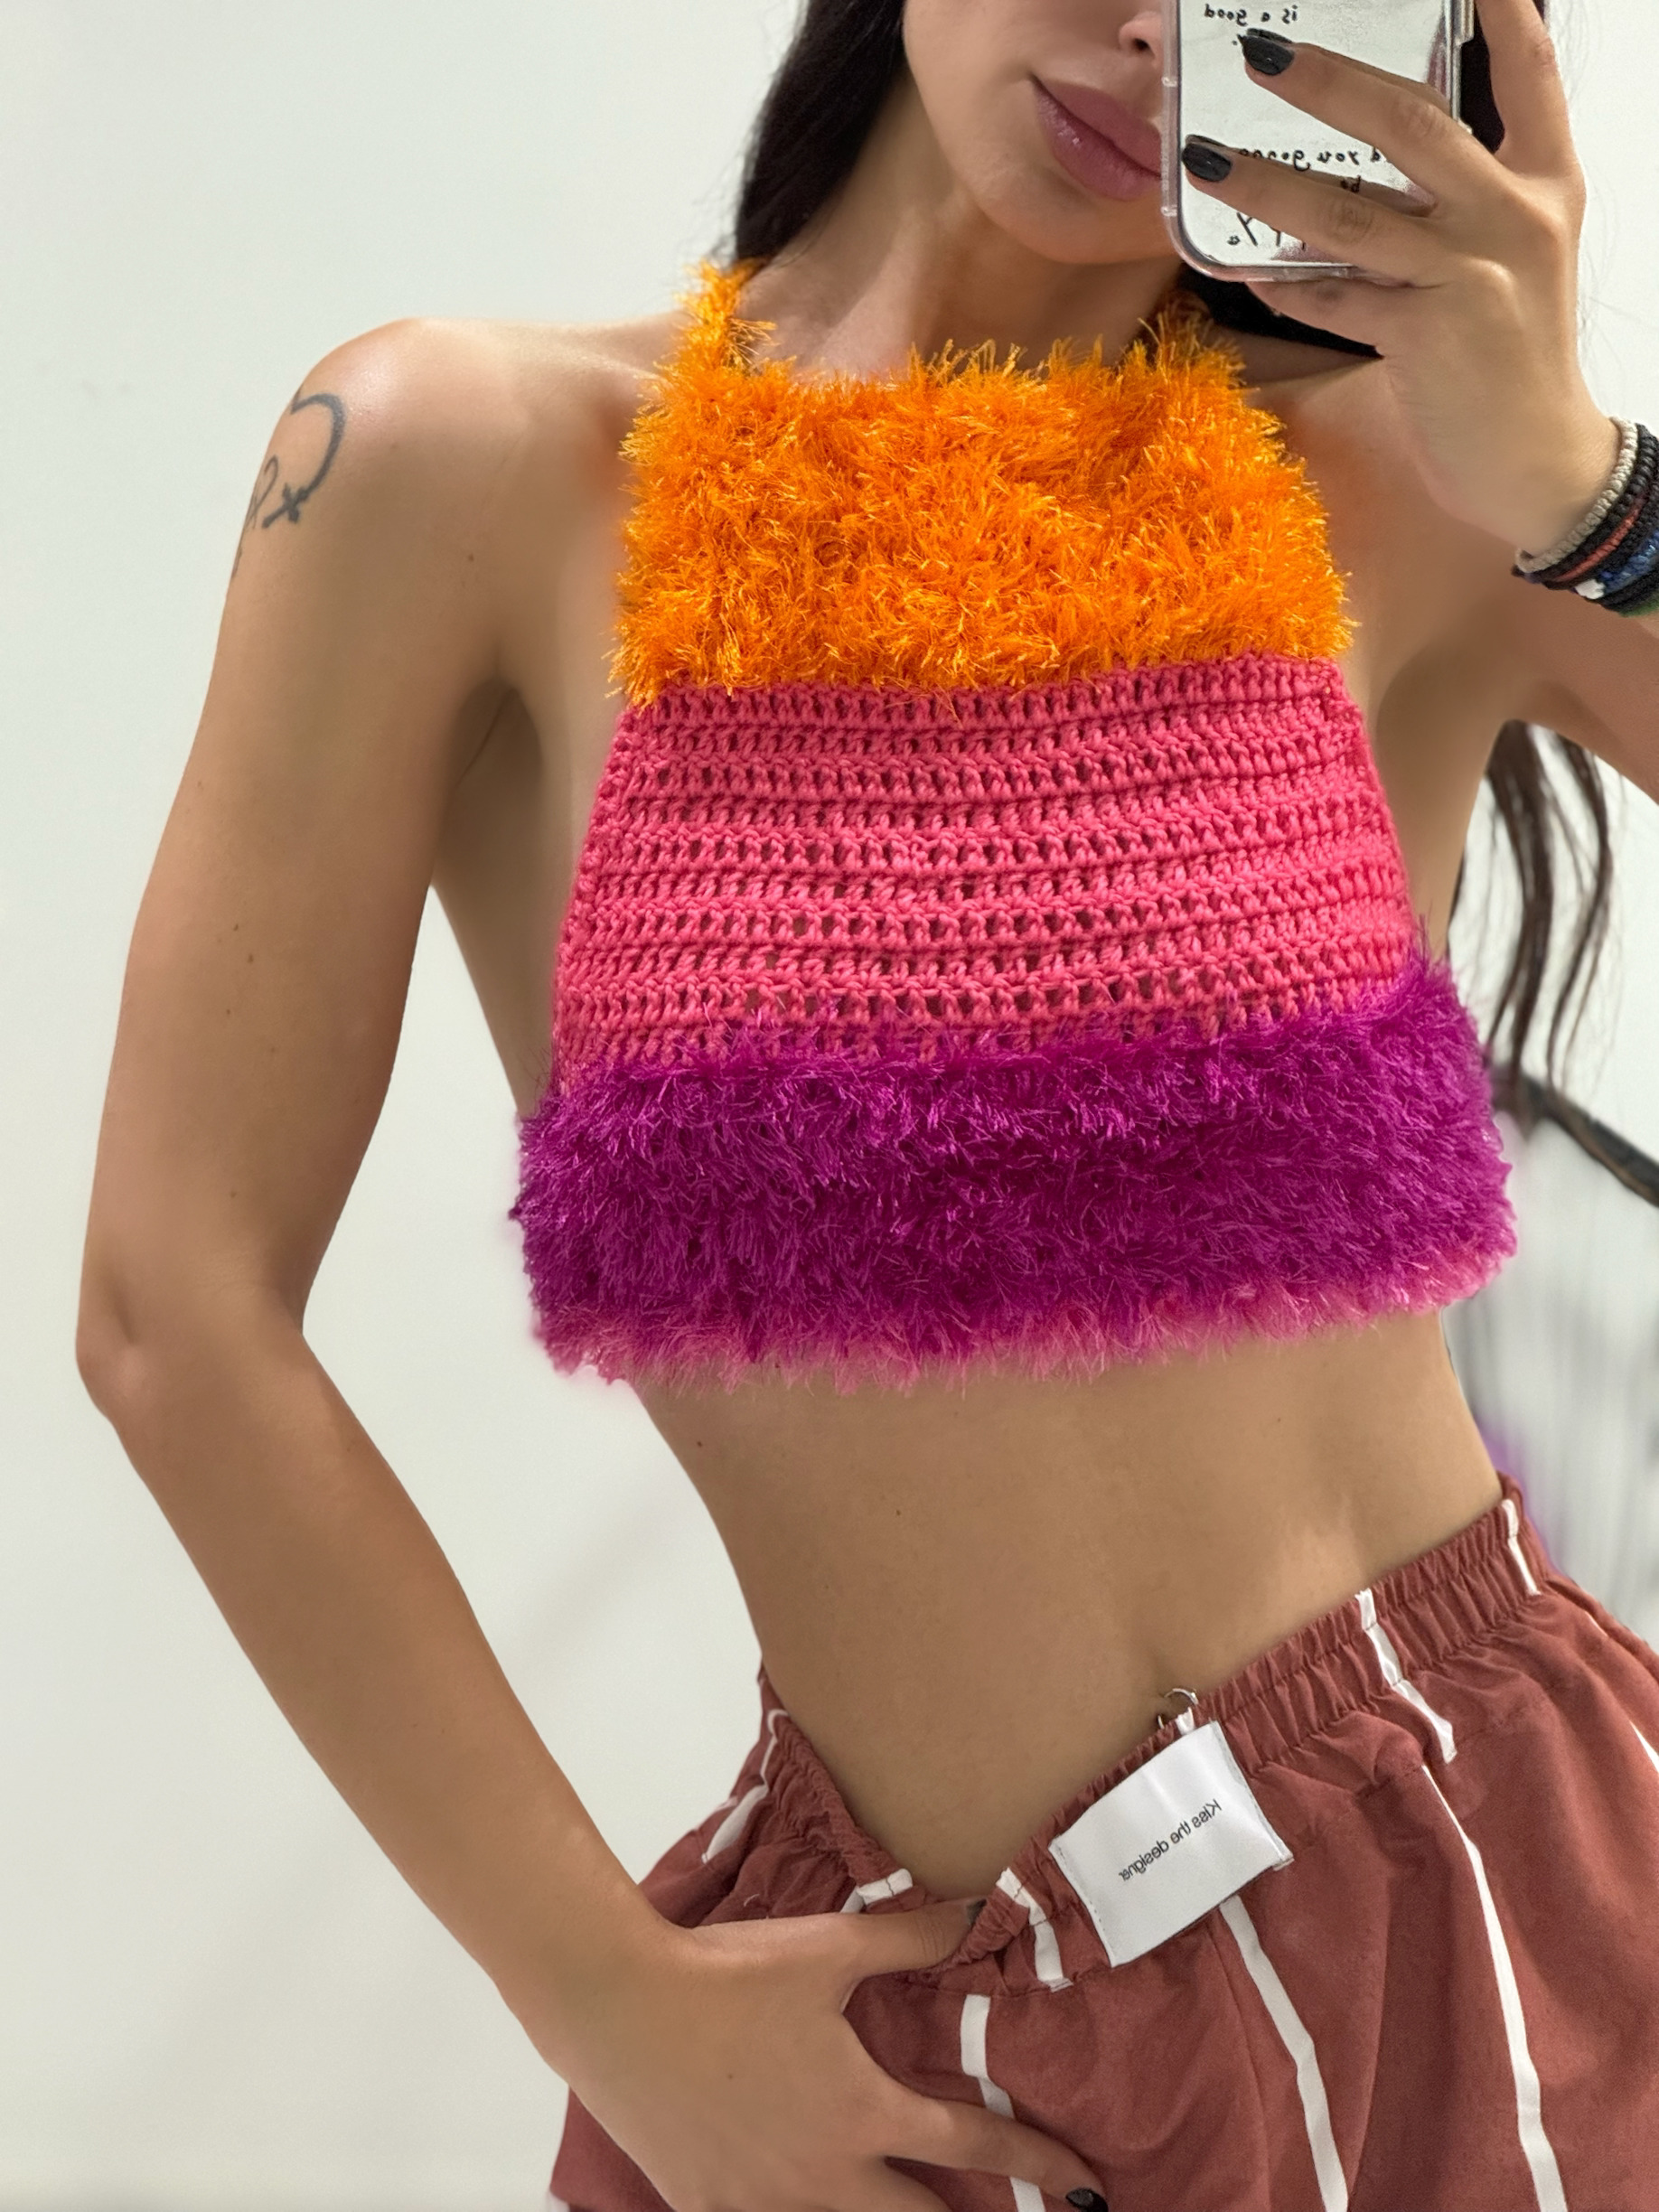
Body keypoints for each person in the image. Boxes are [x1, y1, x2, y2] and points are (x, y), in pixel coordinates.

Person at [76, 1, 1659, 2206]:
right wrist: (603, 2003)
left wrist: (1585, 487)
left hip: (1516, 1914)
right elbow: (174, 1312)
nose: (1142, 27)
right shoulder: (461, 462)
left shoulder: (1410, 476)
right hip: (895, 2035)